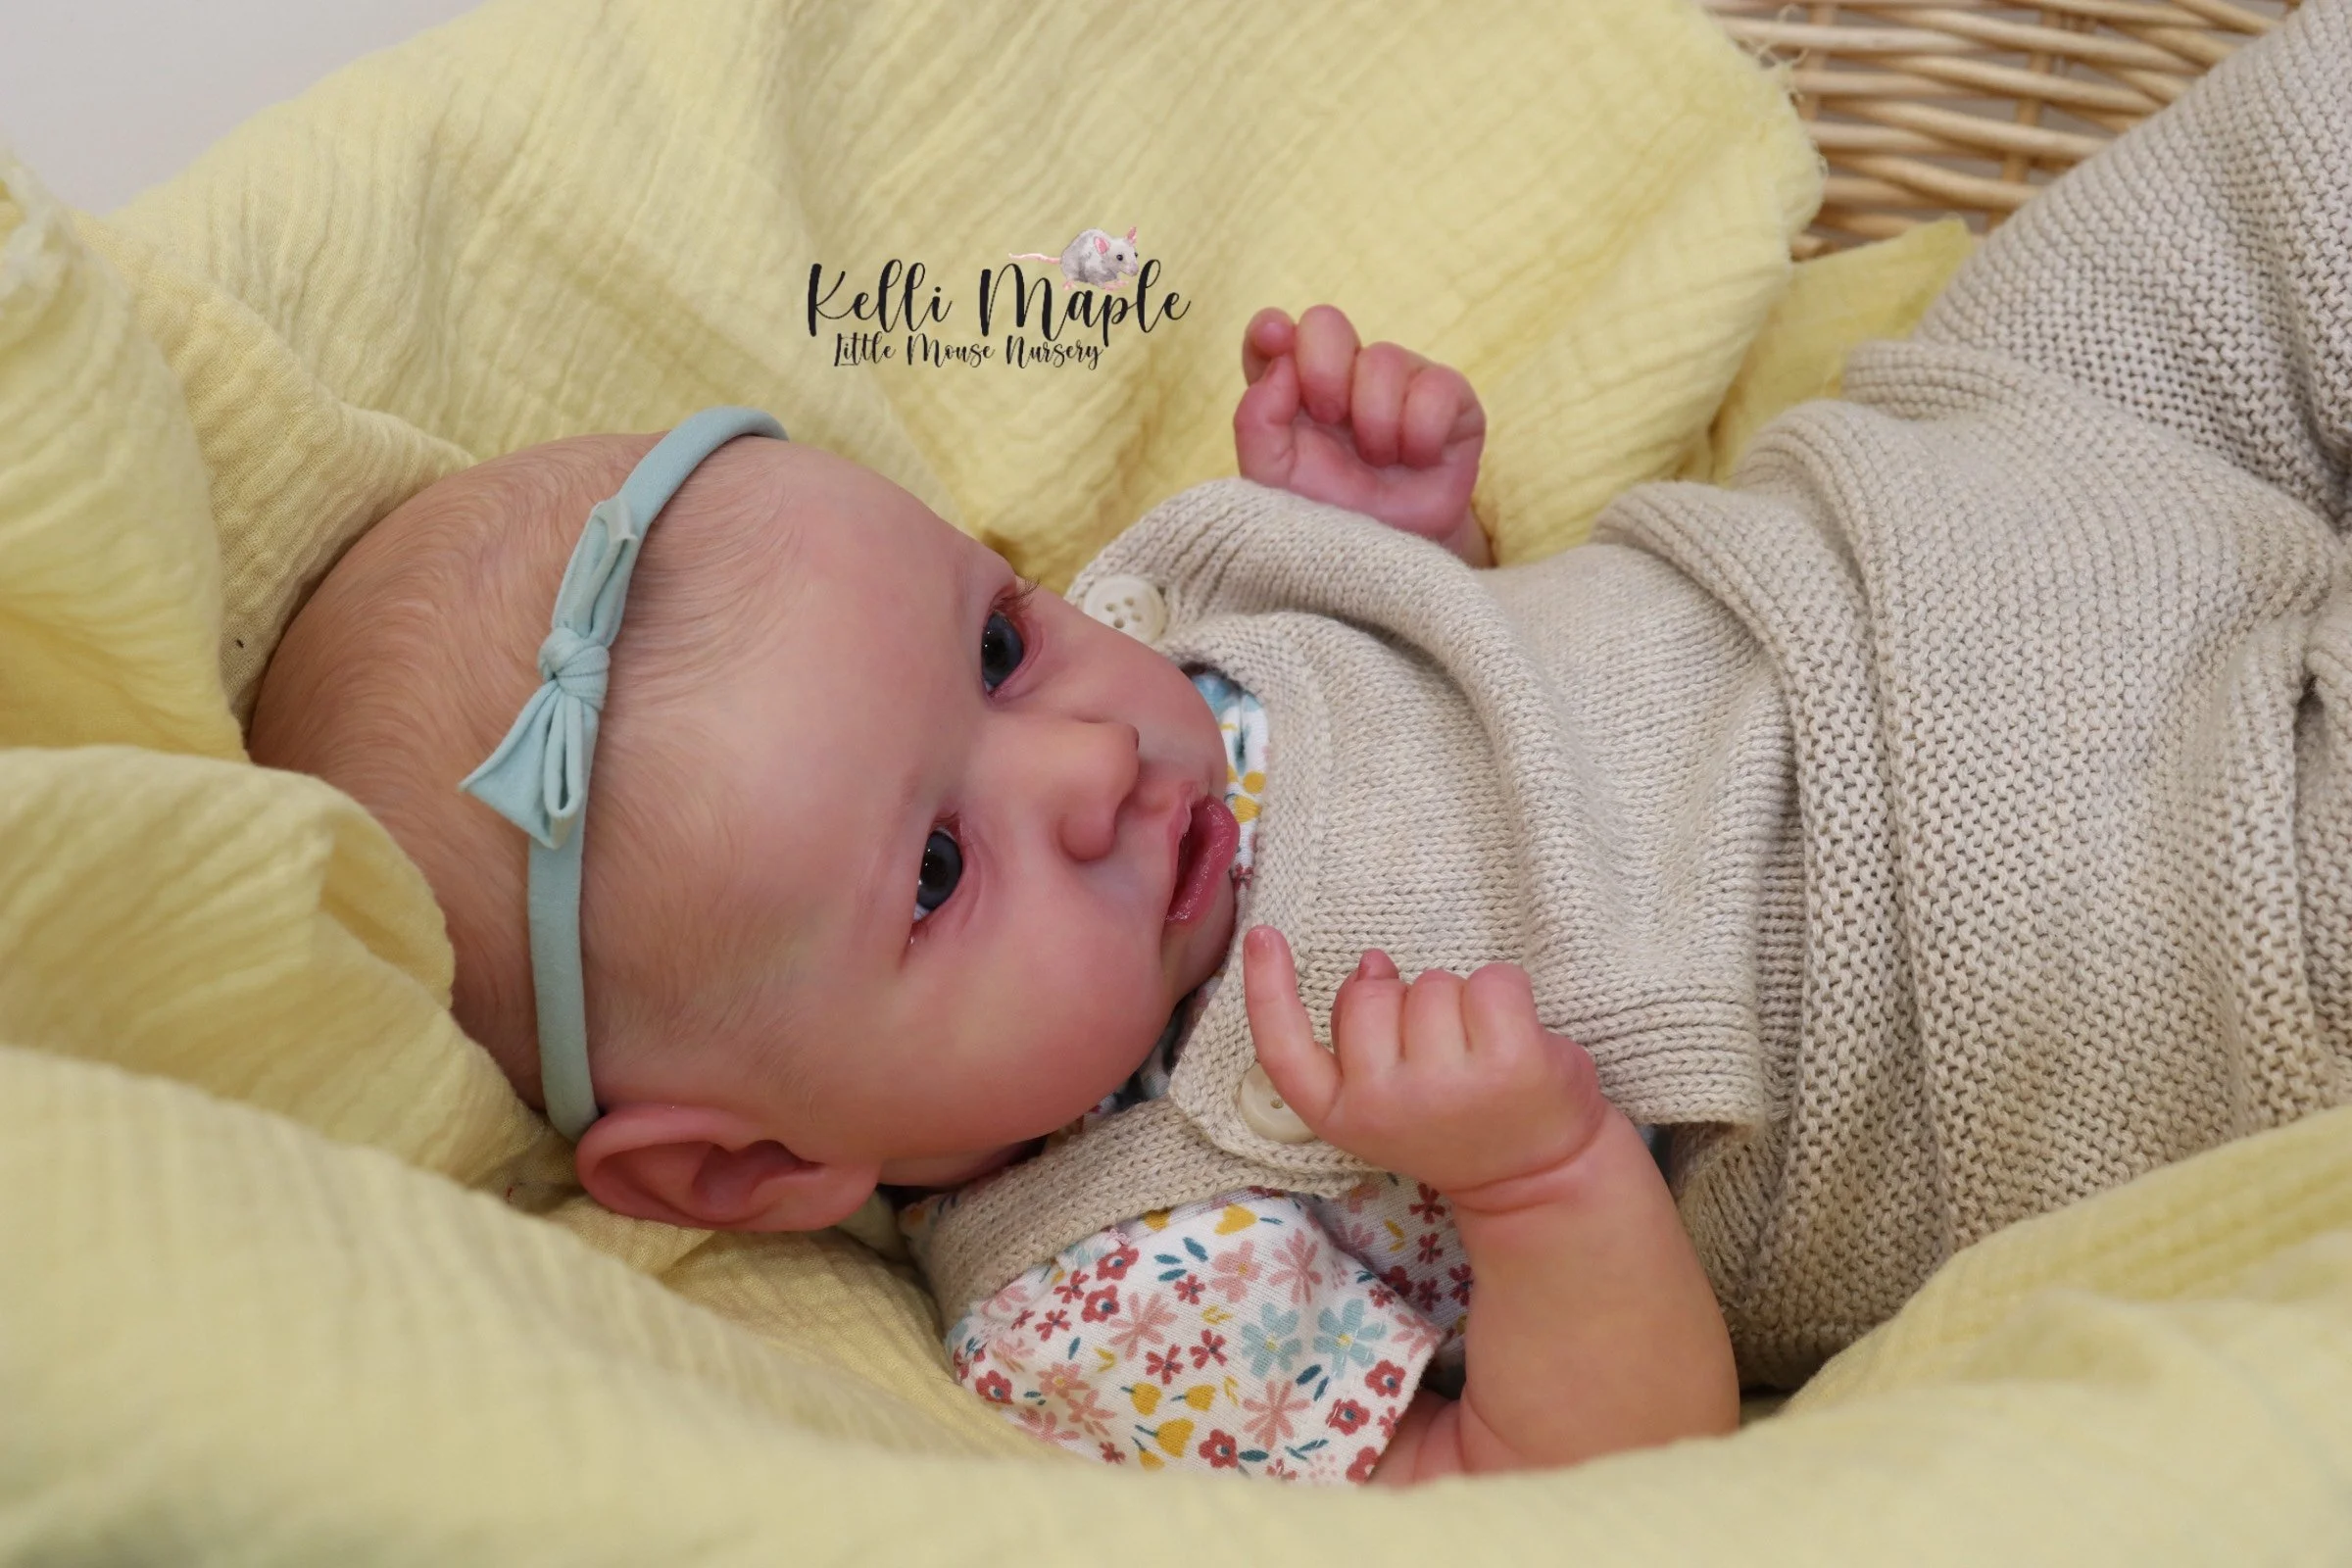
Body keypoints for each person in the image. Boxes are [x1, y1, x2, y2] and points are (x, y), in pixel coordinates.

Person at [248, 0, 2352, 1486]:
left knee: (2277, 173)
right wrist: (1541, 1180)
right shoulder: (1121, 1294)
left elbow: (1476, 696)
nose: (1083, 763)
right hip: (2052, 917)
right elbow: (1572, 1487)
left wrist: (1392, 545)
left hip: (1952, 472)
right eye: (938, 872)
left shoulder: (1160, 618)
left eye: (996, 639)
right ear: (750, 1168)